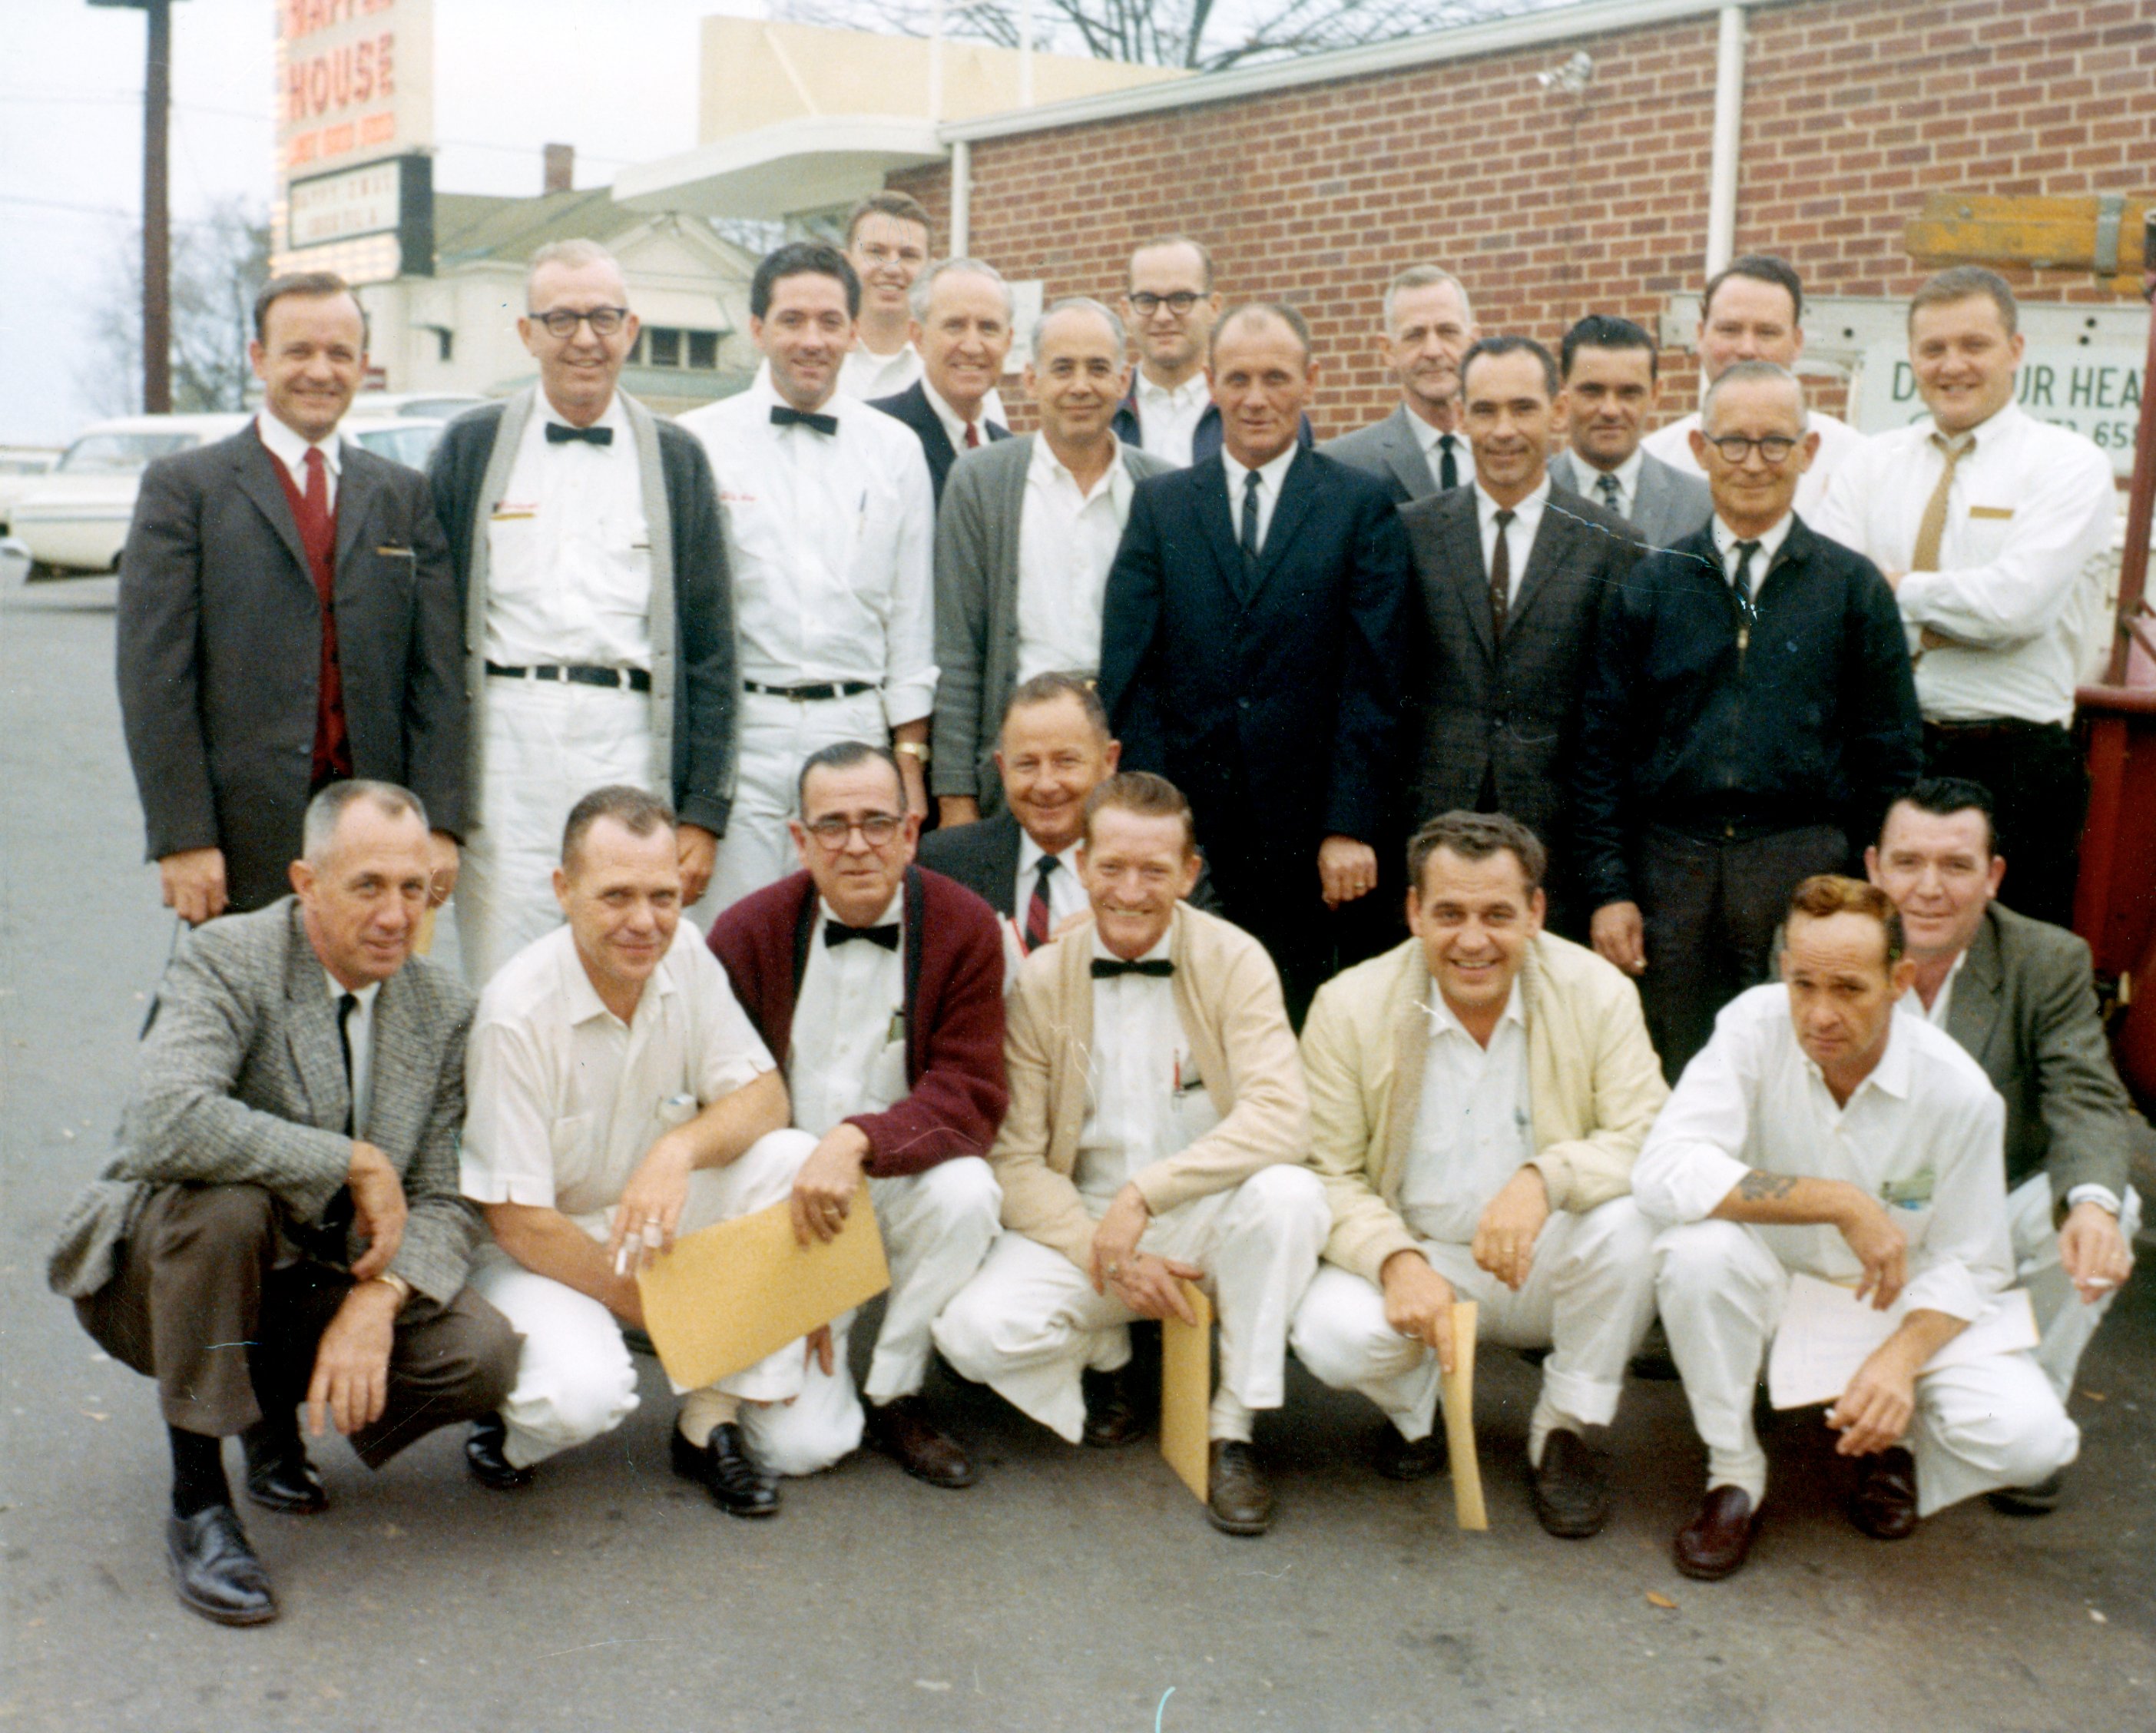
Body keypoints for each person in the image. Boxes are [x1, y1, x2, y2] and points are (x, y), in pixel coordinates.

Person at [47, 782, 518, 1626]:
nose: (394, 914)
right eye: (367, 885)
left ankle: (265, 1416)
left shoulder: (442, 1009)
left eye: (414, 889)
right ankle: (197, 1502)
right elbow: (162, 1121)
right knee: (224, 1206)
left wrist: (381, 1299)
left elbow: (448, 1195)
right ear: (305, 882)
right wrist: (350, 1162)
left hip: (311, 1283)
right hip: (164, 1279)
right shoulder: (230, 958)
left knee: (479, 1352)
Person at [1632, 875, 2078, 1580]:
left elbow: (1977, 1261)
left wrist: (1901, 1359)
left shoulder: (1958, 1092)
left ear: (1899, 980)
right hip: (1776, 1289)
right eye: (1803, 983)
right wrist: (1836, 1201)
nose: (1818, 1014)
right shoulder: (1752, 1024)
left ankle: (1900, 1448)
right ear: (1782, 969)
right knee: (1694, 1255)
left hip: (1893, 1309)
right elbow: (1661, 1171)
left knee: (2033, 1440)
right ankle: (1734, 1471)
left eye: (1848, 989)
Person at [934, 774, 1327, 1536]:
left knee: (1289, 1196)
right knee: (971, 1333)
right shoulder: (1046, 977)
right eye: (1111, 866)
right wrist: (1104, 1250)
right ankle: (1105, 1347)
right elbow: (1014, 1162)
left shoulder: (1234, 958)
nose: (1129, 890)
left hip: (1208, 1216)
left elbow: (1283, 1118)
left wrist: (1148, 1193)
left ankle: (1232, 1428)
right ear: (1080, 864)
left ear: (1188, 873)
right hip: (1092, 1226)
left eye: (1154, 871)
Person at [458, 787, 850, 1513]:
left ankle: (708, 1421)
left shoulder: (686, 954)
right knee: (580, 1398)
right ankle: (510, 1417)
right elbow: (516, 1222)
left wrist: (677, 1151)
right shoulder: (514, 1013)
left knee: (792, 1159)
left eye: (663, 896)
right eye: (616, 897)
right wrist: (682, 1317)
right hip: (541, 1251)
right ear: (563, 890)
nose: (644, 923)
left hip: (652, 1220)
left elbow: (766, 1099)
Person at [1290, 813, 1666, 1536]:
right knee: (1329, 1331)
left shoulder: (1598, 991)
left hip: (1543, 1260)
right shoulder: (1350, 1005)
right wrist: (1394, 1261)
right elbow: (1324, 1171)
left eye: (1497, 914)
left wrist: (1543, 1180)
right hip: (1421, 1258)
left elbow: (1649, 1136)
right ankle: (1414, 1410)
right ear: (1411, 913)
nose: (1471, 940)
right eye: (1449, 914)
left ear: (1535, 912)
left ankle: (1564, 1428)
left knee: (1635, 1224)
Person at [1574, 361, 1923, 1079]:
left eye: (1774, 443)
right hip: (1671, 871)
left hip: (1800, 866)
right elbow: (1599, 751)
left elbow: (1891, 757)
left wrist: (1862, 895)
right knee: (1672, 1067)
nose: (1753, 462)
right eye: (1733, 442)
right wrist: (1610, 889)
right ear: (1700, 451)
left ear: (1807, 452)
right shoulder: (1652, 583)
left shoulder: (1852, 588)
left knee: (1799, 1065)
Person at [426, 239, 735, 984]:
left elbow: (710, 646)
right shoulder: (471, 447)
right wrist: (434, 810)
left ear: (631, 330)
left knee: (622, 965)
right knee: (502, 979)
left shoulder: (676, 458)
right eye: (561, 319)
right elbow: (429, 638)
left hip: (626, 744)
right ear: (526, 333)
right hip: (505, 749)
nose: (585, 340)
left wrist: (701, 811)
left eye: (603, 317)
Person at [117, 271, 465, 923]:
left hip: (377, 835)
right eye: (298, 351)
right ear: (259, 359)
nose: (319, 371)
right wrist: (184, 837)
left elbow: (437, 675)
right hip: (242, 832)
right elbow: (155, 678)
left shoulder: (403, 494)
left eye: (339, 354)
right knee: (244, 1014)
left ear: (363, 365)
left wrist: (438, 822)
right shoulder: (186, 489)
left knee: (369, 1012)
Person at [1099, 301, 1413, 1018]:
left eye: (1275, 377)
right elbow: (1130, 674)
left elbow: (1377, 681)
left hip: (1308, 841)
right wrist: (1159, 820)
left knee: (1293, 1016)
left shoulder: (1358, 505)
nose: (1255, 398)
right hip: (1191, 827)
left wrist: (1349, 824)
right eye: (1237, 378)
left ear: (1310, 380)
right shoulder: (1161, 506)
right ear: (1211, 383)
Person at [709, 744, 1008, 1488]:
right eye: (832, 826)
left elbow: (970, 1092)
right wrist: (798, 1278)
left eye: (876, 823)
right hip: (782, 1202)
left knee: (969, 1191)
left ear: (910, 833)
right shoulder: (745, 934)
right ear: (798, 840)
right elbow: (718, 1101)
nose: (855, 845)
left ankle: (895, 1387)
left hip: (895, 1176)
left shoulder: (965, 927)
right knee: (796, 1449)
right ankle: (815, 1356)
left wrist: (856, 1140)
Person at [1815, 267, 2119, 930]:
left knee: (2002, 962)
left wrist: (1893, 589)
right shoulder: (1869, 465)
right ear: (1912, 358)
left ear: (2014, 350)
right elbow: (1831, 600)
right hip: (1886, 750)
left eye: (1973, 345)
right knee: (1873, 945)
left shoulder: (2067, 465)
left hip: (2012, 760)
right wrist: (1937, 601)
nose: (1951, 365)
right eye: (1932, 349)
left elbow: (2017, 606)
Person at [1866, 777, 2139, 1508]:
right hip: (1859, 1214)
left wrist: (2091, 1205)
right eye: (1907, 863)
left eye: (1955, 866)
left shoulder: (2044, 960)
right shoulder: (1832, 940)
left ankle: (2027, 1408)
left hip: (1978, 1213)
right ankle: (1887, 1432)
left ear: (1991, 877)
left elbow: (2085, 1095)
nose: (1928, 889)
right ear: (1872, 869)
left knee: (2109, 1206)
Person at [680, 242, 936, 910]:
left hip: (854, 730)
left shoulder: (895, 450)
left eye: (829, 321)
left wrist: (908, 763)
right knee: (732, 941)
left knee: (846, 931)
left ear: (854, 331)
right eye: (792, 320)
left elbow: (912, 622)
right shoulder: (697, 443)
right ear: (757, 328)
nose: (812, 339)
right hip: (742, 732)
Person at [1396, 336, 1643, 933]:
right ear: (1459, 416)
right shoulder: (1410, 533)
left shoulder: (1611, 545)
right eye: (1484, 410)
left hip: (1555, 839)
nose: (1503, 430)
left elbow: (1615, 724)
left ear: (1557, 412)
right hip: (1430, 829)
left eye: (1522, 408)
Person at [929, 297, 1171, 820]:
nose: (1080, 386)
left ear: (1123, 379)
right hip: (1017, 768)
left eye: (1097, 368)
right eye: (1062, 368)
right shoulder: (980, 482)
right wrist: (955, 796)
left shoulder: (1162, 488)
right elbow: (956, 650)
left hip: (1130, 768)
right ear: (1030, 379)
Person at [920, 673, 1220, 978]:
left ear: (1109, 761)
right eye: (1027, 764)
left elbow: (1212, 965)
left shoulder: (1163, 867)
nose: (1046, 784)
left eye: (1066, 761)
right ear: (1002, 768)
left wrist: (1120, 929)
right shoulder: (943, 864)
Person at [1641, 255, 1867, 516]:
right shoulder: (1654, 462)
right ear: (1701, 336)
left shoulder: (1851, 460)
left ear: (1797, 342)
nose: (1747, 349)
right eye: (1730, 329)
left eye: (1767, 332)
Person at [1111, 235, 1311, 466]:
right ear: (1126, 312)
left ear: (1214, 308)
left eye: (1181, 298)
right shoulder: (1104, 415)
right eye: (1147, 300)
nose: (1163, 316)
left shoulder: (1267, 416)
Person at [1547, 313, 1713, 547]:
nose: (1610, 410)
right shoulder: (1529, 496)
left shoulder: (1700, 505)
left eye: (1629, 393)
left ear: (1655, 394)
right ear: (1563, 393)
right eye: (1592, 391)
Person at [1320, 265, 1480, 505]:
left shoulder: (1512, 455)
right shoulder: (1339, 466)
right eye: (1415, 335)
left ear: (1473, 342)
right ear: (1388, 350)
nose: (1433, 351)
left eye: (1448, 331)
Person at [869, 257, 1015, 505]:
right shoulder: (875, 433)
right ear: (918, 337)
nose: (972, 346)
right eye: (955, 326)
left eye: (988, 328)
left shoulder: (1011, 453)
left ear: (1008, 341)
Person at [839, 191, 934, 401]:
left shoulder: (950, 365)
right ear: (846, 263)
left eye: (908, 255)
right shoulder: (812, 355)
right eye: (876, 252)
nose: (892, 268)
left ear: (930, 270)